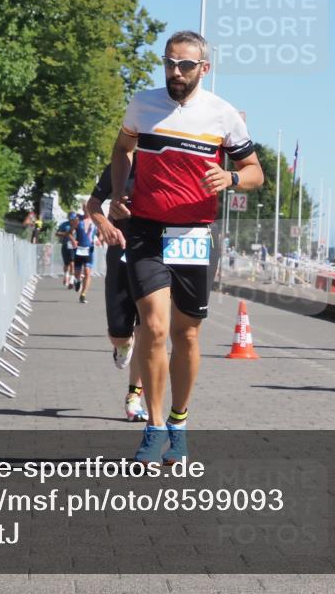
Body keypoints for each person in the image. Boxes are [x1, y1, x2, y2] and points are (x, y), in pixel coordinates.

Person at [109, 30, 263, 464]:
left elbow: (255, 172)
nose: (175, 72)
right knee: (154, 328)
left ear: (204, 69)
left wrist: (232, 178)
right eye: (169, 63)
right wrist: (120, 192)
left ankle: (179, 420)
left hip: (193, 234)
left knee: (187, 334)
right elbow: (122, 149)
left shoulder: (223, 115)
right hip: (146, 229)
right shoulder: (143, 103)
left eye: (185, 65)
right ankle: (154, 427)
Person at [86, 160, 148, 422]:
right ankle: (123, 343)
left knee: (150, 328)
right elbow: (93, 204)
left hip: (154, 255)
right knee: (120, 334)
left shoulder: (169, 163)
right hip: (121, 251)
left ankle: (134, 396)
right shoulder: (122, 165)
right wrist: (104, 224)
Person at [72, 212, 97, 303]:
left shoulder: (95, 221)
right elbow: (70, 233)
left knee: (87, 272)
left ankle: (83, 295)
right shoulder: (78, 221)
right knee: (77, 273)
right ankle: (77, 281)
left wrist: (100, 239)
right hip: (79, 250)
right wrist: (73, 240)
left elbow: (100, 233)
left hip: (89, 250)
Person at [56, 213, 78, 288]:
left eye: (73, 219)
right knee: (66, 264)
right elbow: (57, 233)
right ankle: (66, 276)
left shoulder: (77, 225)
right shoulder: (64, 224)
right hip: (65, 245)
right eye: (70, 219)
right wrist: (66, 234)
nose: (71, 220)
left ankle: (71, 280)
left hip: (74, 246)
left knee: (72, 263)